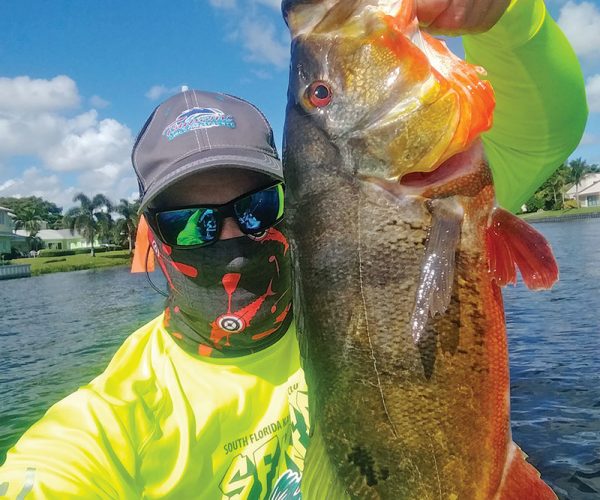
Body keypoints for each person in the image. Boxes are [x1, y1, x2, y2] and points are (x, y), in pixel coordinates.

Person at [0, 0, 587, 497]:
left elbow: (551, 127)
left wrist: (510, 16)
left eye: (255, 207)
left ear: (297, 209)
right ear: (147, 240)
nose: (230, 236)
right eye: (189, 223)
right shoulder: (111, 421)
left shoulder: (441, 194)